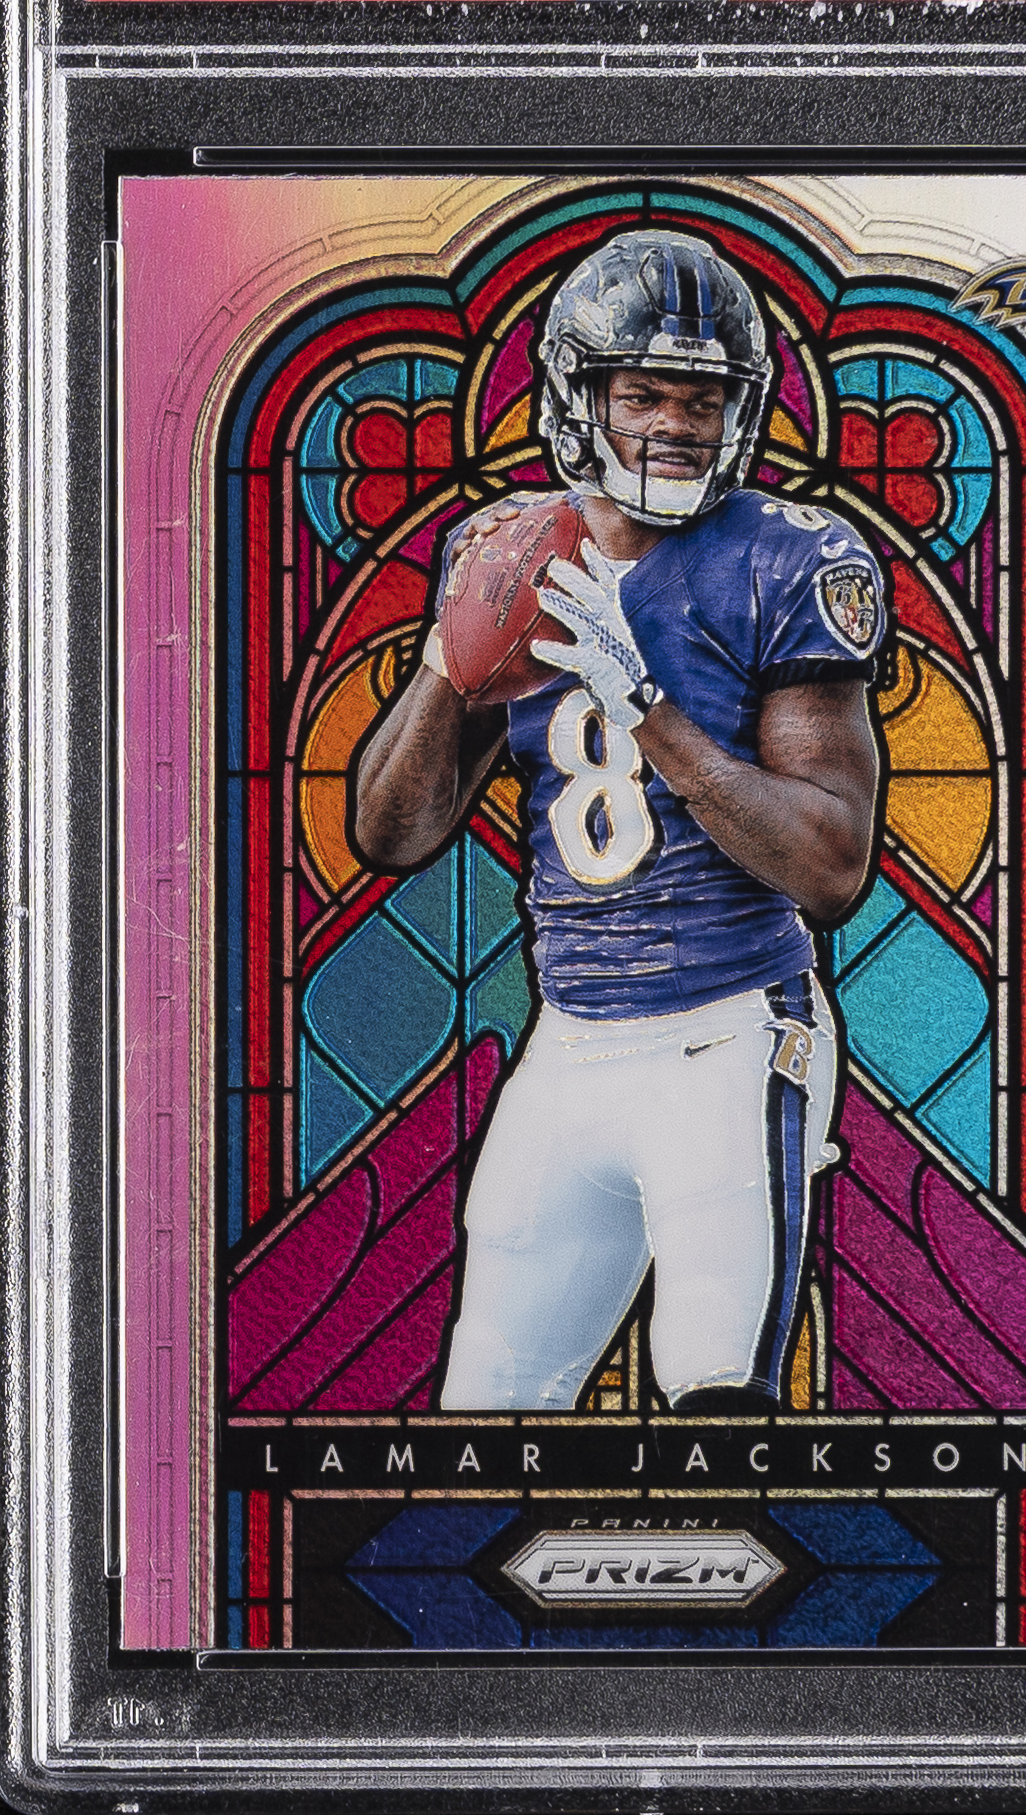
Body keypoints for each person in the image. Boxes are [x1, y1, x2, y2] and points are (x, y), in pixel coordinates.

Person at [352, 230, 890, 1415]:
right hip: (570, 1040)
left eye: (703, 398)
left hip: (728, 1030)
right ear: (576, 393)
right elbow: (393, 834)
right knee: (482, 1423)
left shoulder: (788, 557)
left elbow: (829, 864)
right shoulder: (511, 551)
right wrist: (453, 648)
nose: (677, 425)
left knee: (715, 1410)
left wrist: (642, 702)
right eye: (642, 392)